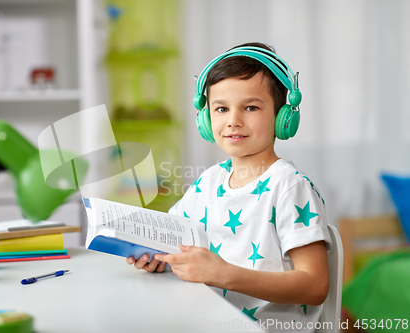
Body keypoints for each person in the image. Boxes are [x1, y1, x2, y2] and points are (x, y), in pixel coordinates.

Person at [126, 42, 332, 332]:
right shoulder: (207, 183)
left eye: (250, 107)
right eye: (221, 108)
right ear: (206, 120)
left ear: (283, 117)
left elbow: (315, 285)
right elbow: (173, 239)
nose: (233, 121)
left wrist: (224, 274)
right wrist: (160, 258)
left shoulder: (289, 187)